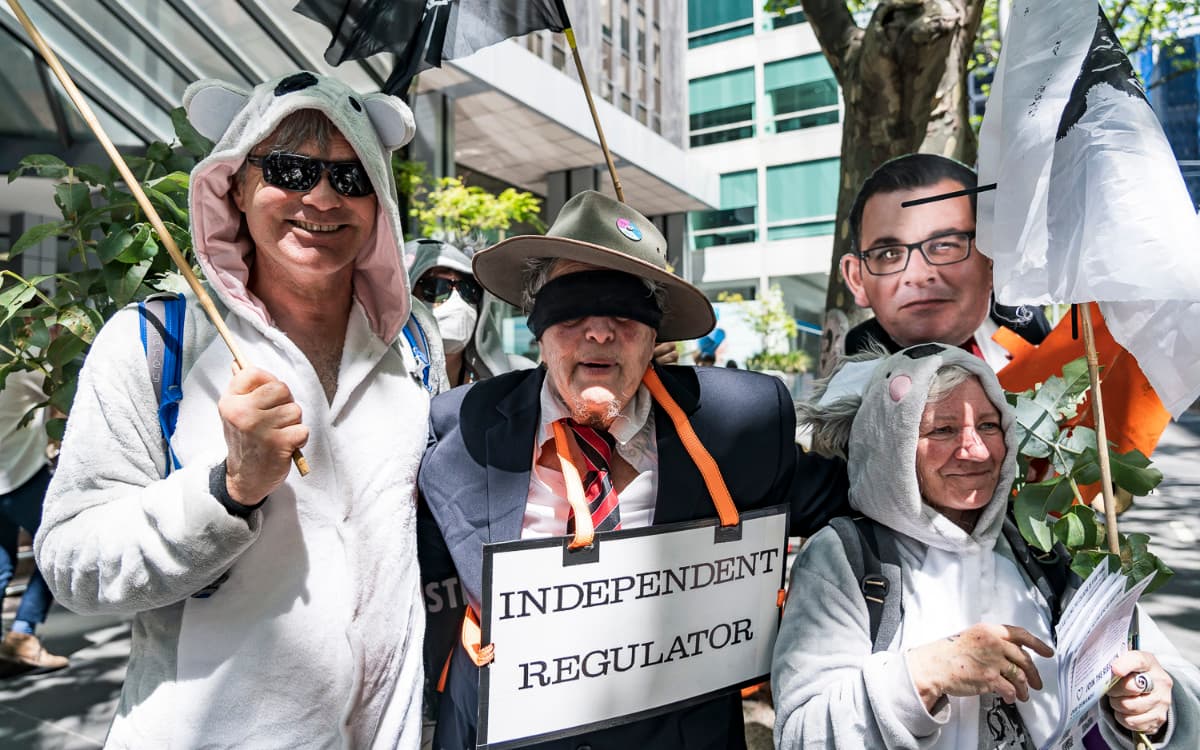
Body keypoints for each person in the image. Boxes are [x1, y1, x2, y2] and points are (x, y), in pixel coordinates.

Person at [35, 72, 445, 748]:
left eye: (350, 178)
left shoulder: (414, 345)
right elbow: (72, 563)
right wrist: (228, 491)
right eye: (290, 169)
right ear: (235, 185)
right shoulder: (154, 344)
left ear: (380, 203)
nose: (319, 197)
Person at [418, 189, 850, 749]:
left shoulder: (740, 426)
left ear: (656, 333)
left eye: (624, 311)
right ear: (538, 327)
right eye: (571, 308)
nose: (598, 333)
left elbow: (861, 501)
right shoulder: (460, 427)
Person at [773, 344, 1200, 748]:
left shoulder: (1040, 545)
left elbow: (1175, 682)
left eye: (988, 425)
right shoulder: (844, 558)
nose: (974, 450)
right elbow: (800, 734)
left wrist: (1153, 702)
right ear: (891, 446)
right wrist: (926, 674)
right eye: (942, 429)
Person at [840, 154, 1050, 370]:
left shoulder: (1023, 323)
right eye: (889, 254)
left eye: (944, 246)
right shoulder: (864, 354)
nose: (918, 275)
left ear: (992, 258)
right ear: (857, 279)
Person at [0, 369, 67, 676]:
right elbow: (62, 393)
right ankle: (23, 634)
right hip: (22, 478)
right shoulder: (20, 369)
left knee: (1, 568)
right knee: (58, 549)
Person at [408, 238, 537, 387]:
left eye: (468, 289)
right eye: (437, 288)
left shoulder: (521, 380)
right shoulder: (381, 390)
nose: (458, 301)